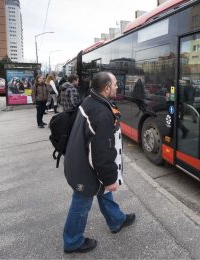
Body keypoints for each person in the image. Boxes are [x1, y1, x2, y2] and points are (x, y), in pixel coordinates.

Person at [62, 71, 136, 253]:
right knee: (81, 203)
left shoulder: (91, 101)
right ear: (107, 88)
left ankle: (116, 220)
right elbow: (102, 153)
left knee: (102, 192)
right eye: (116, 84)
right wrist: (111, 179)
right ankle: (72, 242)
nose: (118, 86)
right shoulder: (101, 113)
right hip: (84, 169)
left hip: (78, 160)